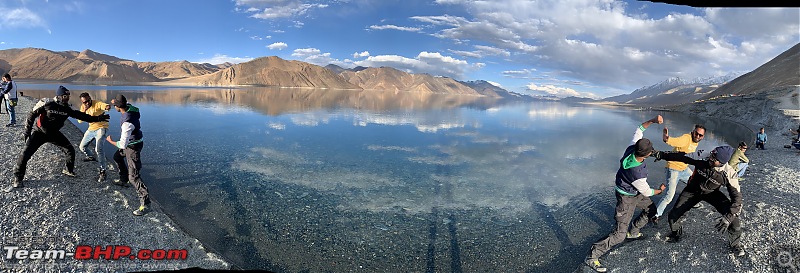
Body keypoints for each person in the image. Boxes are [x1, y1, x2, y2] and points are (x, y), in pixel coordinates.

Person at [584, 115, 666, 273]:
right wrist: (660, 190)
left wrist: (653, 120)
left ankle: (633, 232)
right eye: (651, 152)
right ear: (646, 155)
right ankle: (592, 256)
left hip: (633, 191)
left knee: (651, 209)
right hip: (626, 197)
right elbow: (647, 191)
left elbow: (639, 129)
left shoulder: (632, 147)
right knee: (619, 235)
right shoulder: (637, 172)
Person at [10, 86, 109, 189]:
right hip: (39, 132)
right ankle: (18, 178)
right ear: (59, 96)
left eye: (68, 96)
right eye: (65, 96)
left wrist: (98, 118)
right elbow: (32, 114)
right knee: (25, 154)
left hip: (54, 134)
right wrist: (27, 131)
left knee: (70, 150)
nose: (67, 98)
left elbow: (80, 116)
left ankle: (68, 170)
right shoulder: (48, 103)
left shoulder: (66, 108)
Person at [654, 145, 744, 256]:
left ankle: (735, 245)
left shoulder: (729, 174)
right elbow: (681, 156)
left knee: (734, 221)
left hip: (711, 193)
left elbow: (737, 199)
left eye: (714, 159)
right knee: (673, 216)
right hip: (692, 190)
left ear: (722, 163)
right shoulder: (702, 155)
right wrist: (662, 155)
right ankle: (677, 234)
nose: (711, 159)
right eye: (712, 155)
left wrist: (728, 217)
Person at [105, 94, 150, 216]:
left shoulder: (127, 123)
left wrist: (110, 141)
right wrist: (117, 101)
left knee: (134, 177)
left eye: (115, 105)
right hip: (134, 141)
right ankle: (123, 179)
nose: (114, 106)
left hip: (132, 147)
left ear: (119, 107)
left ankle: (146, 204)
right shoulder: (131, 108)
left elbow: (122, 145)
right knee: (117, 157)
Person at [652, 124, 706, 224]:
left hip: (684, 168)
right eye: (696, 133)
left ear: (703, 136)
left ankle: (692, 202)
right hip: (673, 169)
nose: (697, 136)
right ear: (693, 132)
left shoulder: (695, 142)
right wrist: (666, 138)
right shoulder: (686, 138)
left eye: (700, 135)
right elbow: (674, 141)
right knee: (669, 196)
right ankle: (656, 215)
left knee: (696, 183)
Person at [77, 92, 111, 182]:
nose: (87, 103)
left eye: (88, 100)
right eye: (85, 102)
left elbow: (104, 106)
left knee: (98, 149)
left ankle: (103, 171)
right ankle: (91, 156)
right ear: (82, 102)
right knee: (82, 147)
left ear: (90, 98)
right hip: (91, 129)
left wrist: (107, 107)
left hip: (101, 127)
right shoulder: (83, 107)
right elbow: (79, 121)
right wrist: (84, 111)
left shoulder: (97, 103)